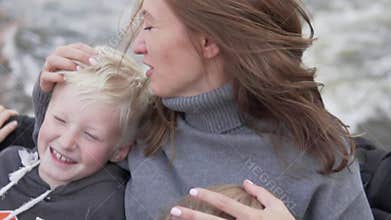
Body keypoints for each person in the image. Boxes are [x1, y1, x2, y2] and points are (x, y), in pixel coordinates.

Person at [30, 0, 374, 219]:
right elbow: (59, 161)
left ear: (207, 42)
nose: (137, 45)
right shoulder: (142, 118)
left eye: (149, 25)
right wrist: (51, 92)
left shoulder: (320, 157)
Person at [0, 46, 150, 220]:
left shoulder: (108, 205)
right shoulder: (6, 162)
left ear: (119, 151)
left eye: (90, 135)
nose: (66, 142)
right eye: (59, 120)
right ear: (43, 113)